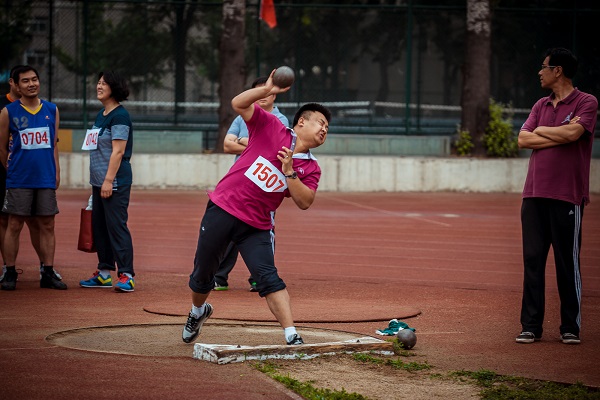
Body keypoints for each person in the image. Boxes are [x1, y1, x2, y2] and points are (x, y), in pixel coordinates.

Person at [182, 69, 330, 345]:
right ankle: (198, 311)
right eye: (320, 123)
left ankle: (291, 334)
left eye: (327, 129)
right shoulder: (272, 126)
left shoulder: (311, 167)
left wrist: (289, 171)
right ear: (301, 122)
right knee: (203, 273)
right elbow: (238, 104)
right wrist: (268, 89)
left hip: (256, 226)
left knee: (268, 277)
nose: (324, 130)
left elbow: (305, 202)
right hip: (223, 208)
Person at [516, 48, 597, 345]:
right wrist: (558, 132)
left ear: (558, 70)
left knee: (567, 263)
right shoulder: (540, 104)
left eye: (544, 66)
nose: (540, 72)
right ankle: (530, 326)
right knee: (532, 261)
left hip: (567, 196)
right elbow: (523, 138)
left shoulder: (586, 102)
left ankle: (570, 327)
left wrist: (543, 131)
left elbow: (574, 135)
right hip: (533, 194)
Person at [215, 76, 289, 292]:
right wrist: (254, 144)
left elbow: (276, 148)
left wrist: (242, 141)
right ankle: (219, 277)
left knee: (263, 230)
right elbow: (227, 146)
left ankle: (260, 277)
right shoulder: (242, 117)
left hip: (264, 185)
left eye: (267, 90)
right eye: (258, 90)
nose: (262, 95)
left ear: (274, 95)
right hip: (239, 182)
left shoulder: (280, 119)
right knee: (229, 228)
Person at [0, 65, 66, 291]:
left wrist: (56, 171)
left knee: (48, 224)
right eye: (26, 81)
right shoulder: (8, 112)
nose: (31, 84)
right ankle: (10, 272)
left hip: (45, 177)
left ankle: (47, 272)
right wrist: (12, 170)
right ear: (17, 86)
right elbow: (2, 148)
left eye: (34, 79)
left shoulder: (52, 110)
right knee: (14, 223)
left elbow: (54, 145)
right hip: (19, 179)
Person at [79, 71, 135, 292]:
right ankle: (104, 273)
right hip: (98, 181)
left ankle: (127, 275)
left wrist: (108, 180)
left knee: (116, 226)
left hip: (114, 181)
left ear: (115, 87)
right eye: (98, 82)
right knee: (99, 226)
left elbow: (118, 151)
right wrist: (99, 181)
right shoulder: (101, 114)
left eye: (104, 83)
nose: (99, 86)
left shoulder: (120, 116)